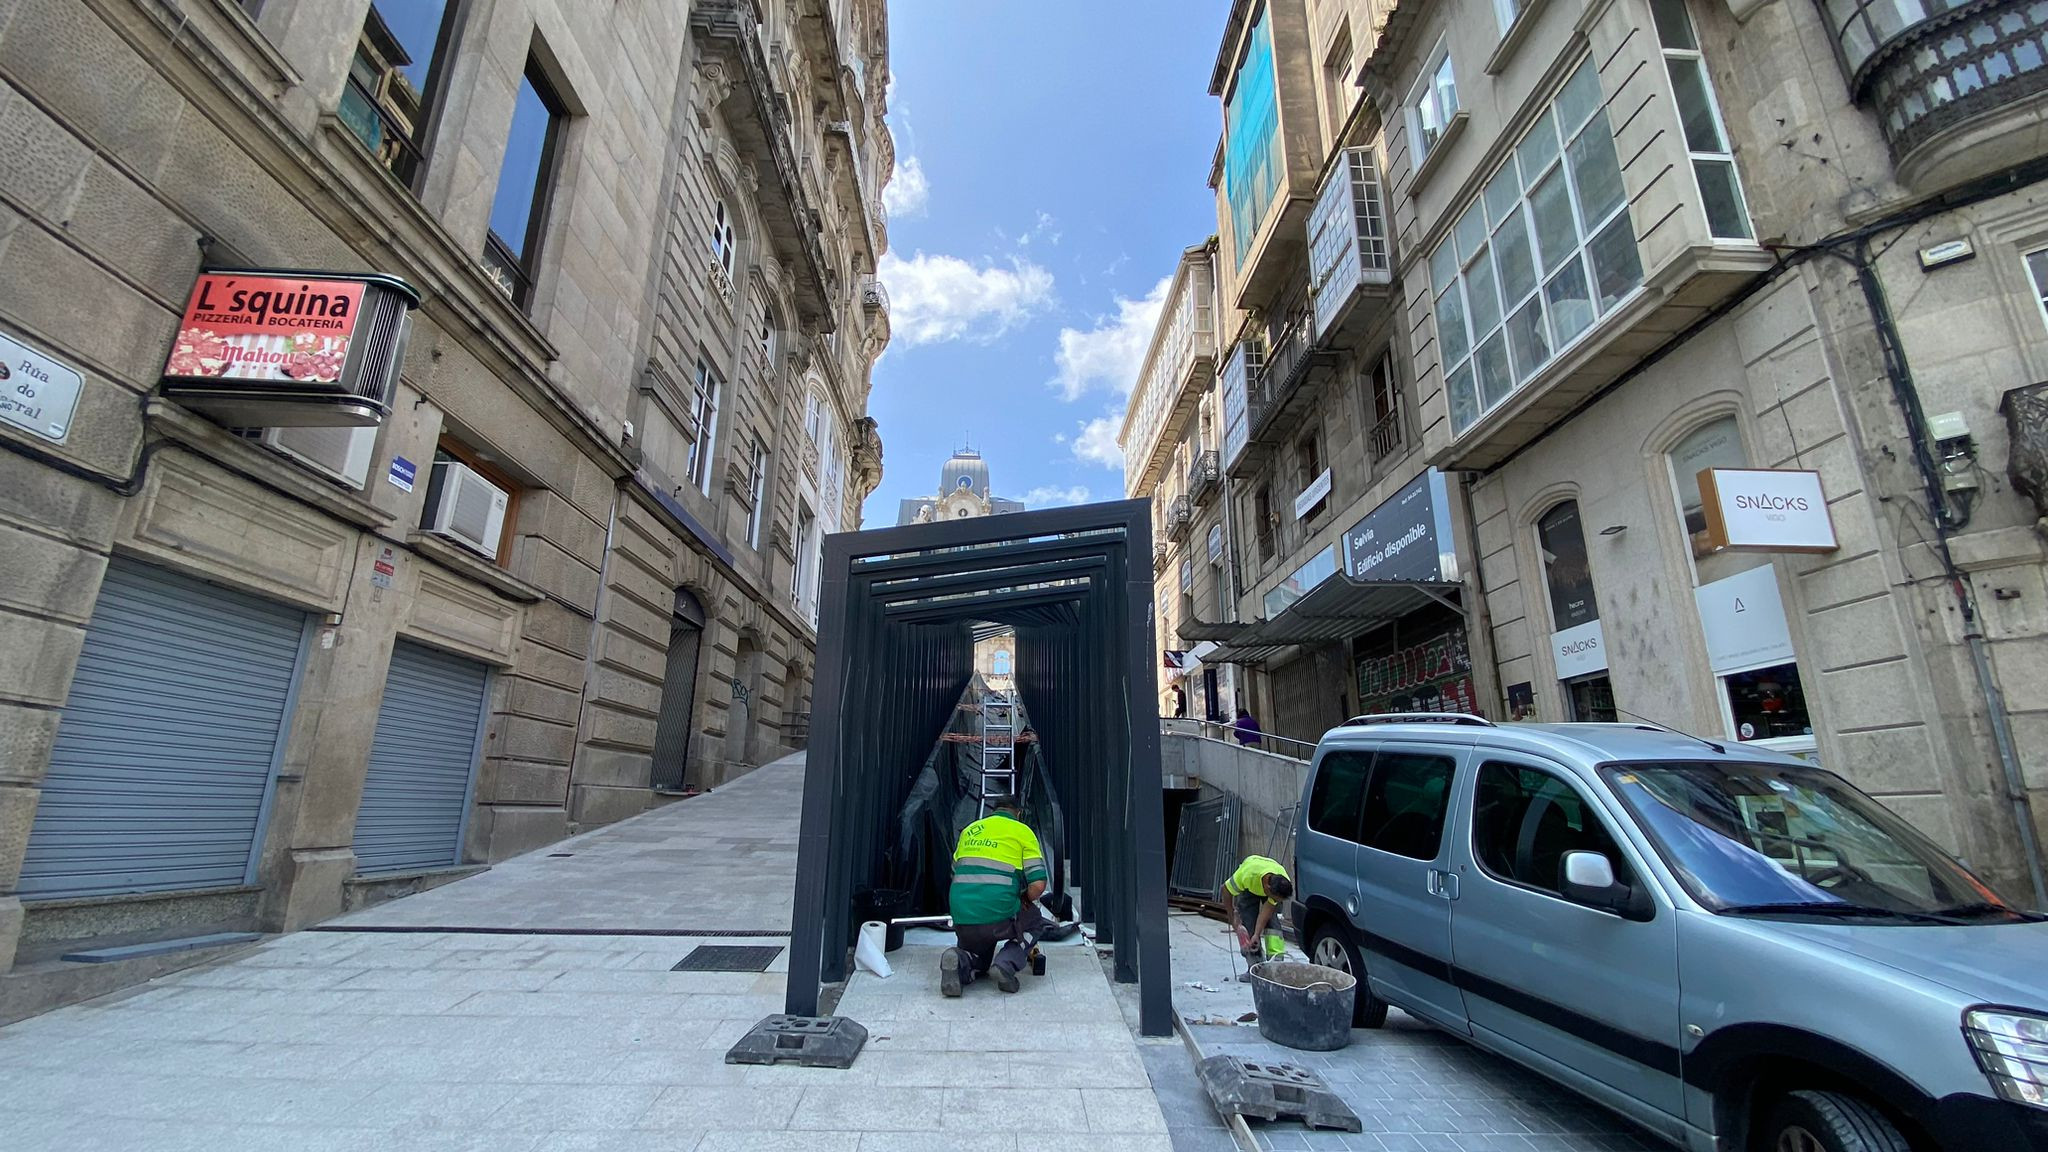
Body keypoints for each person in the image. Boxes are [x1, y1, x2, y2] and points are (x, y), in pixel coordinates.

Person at [941, 796, 1051, 996]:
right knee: (1035, 920)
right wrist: (1024, 899)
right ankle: (1005, 964)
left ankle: (959, 959)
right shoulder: (1022, 831)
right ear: (1018, 813)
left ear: (993, 812)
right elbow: (1038, 884)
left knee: (979, 959)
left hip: (962, 914)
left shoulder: (970, 829)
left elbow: (954, 872)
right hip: (998, 916)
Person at [1224, 853, 1293, 963]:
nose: (1277, 901)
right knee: (1248, 920)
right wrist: (1232, 917)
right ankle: (1254, 966)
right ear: (1267, 888)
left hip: (1268, 873)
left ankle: (1276, 965)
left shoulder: (1282, 882)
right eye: (1276, 899)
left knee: (1272, 922)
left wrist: (1257, 934)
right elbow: (1225, 890)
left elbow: (1265, 913)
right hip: (1251, 882)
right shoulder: (1246, 875)